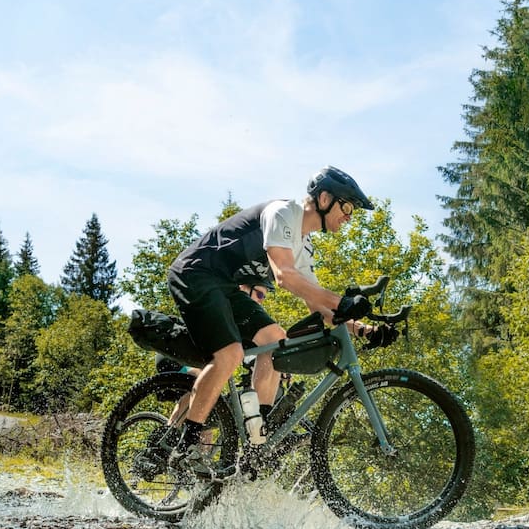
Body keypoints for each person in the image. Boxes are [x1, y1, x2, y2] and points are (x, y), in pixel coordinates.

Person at [164, 165, 394, 476]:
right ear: (325, 198)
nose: (350, 216)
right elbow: (284, 276)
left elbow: (317, 304)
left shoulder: (304, 243)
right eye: (348, 206)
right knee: (230, 354)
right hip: (195, 274)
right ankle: (187, 443)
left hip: (226, 287)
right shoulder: (282, 213)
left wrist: (364, 329)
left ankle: (256, 442)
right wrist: (344, 302)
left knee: (276, 341)